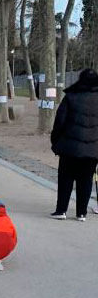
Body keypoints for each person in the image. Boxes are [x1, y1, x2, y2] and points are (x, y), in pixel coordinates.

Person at [50, 68, 98, 221]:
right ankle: (81, 213)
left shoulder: (71, 97)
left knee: (66, 178)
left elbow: (60, 121)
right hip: (92, 148)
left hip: (69, 146)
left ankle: (61, 210)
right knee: (86, 179)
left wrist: (55, 141)